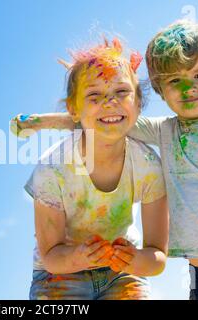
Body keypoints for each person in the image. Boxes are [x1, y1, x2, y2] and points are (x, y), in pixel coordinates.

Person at [12, 20, 198, 300]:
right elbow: (100, 122)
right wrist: (40, 122)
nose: (188, 88)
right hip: (67, 274)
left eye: (121, 92)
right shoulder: (56, 167)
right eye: (174, 80)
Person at [23, 37, 168, 300]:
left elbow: (157, 256)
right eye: (94, 95)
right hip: (58, 275)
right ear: (73, 109)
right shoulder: (52, 168)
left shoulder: (148, 166)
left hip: (121, 275)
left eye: (122, 92)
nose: (110, 102)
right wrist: (79, 257)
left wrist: (133, 260)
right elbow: (51, 256)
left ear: (138, 103)